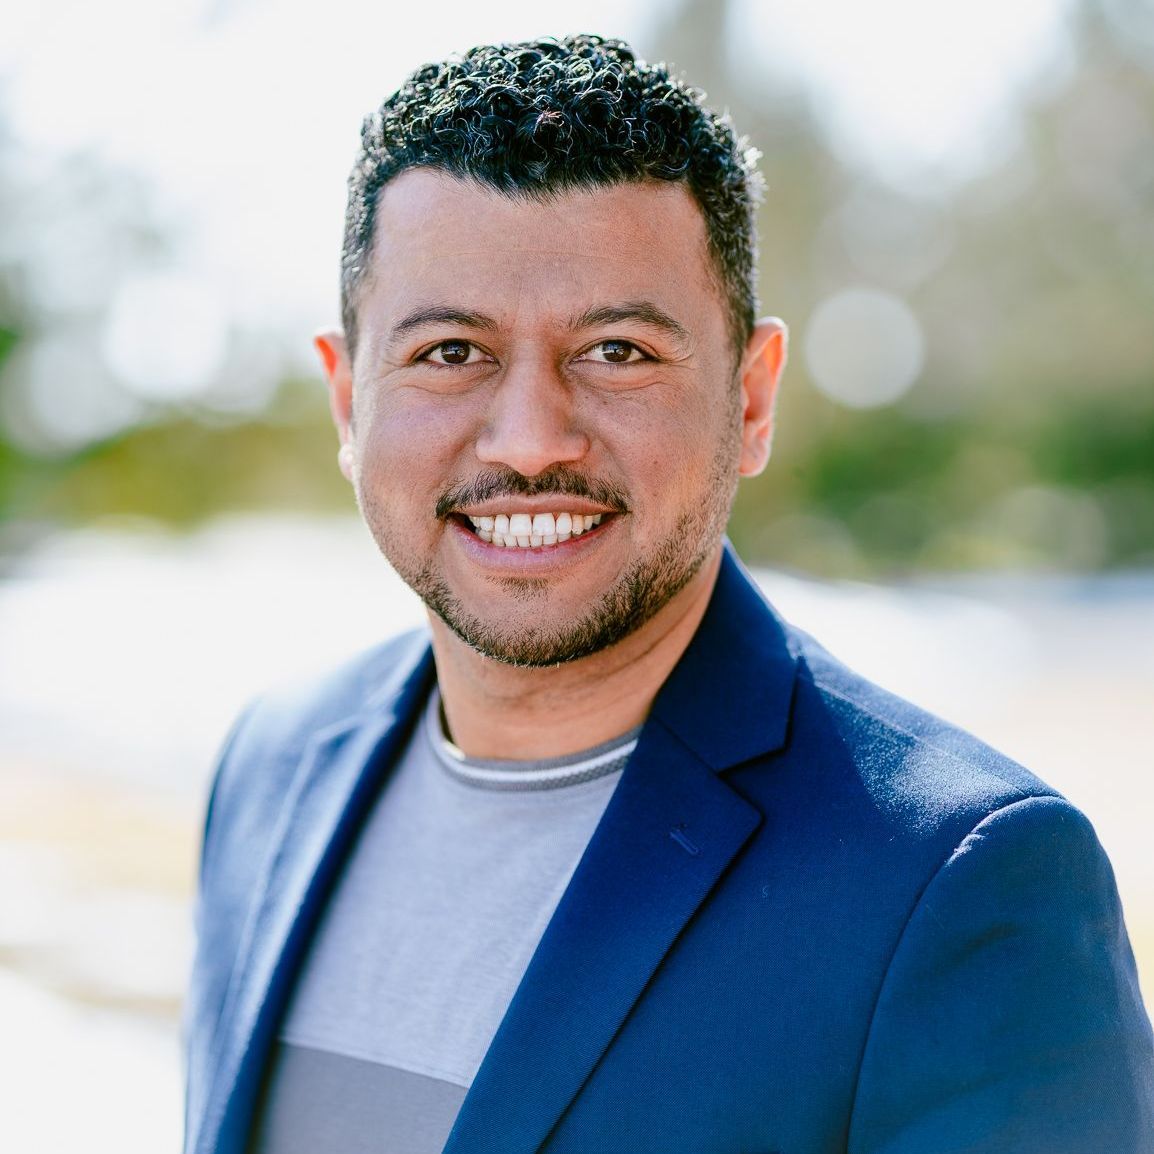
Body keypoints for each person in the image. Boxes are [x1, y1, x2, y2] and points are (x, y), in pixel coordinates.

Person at [183, 34, 1154, 1154]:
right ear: (349, 399)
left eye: (617, 350)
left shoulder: (963, 884)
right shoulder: (268, 769)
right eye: (451, 351)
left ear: (748, 398)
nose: (531, 439)